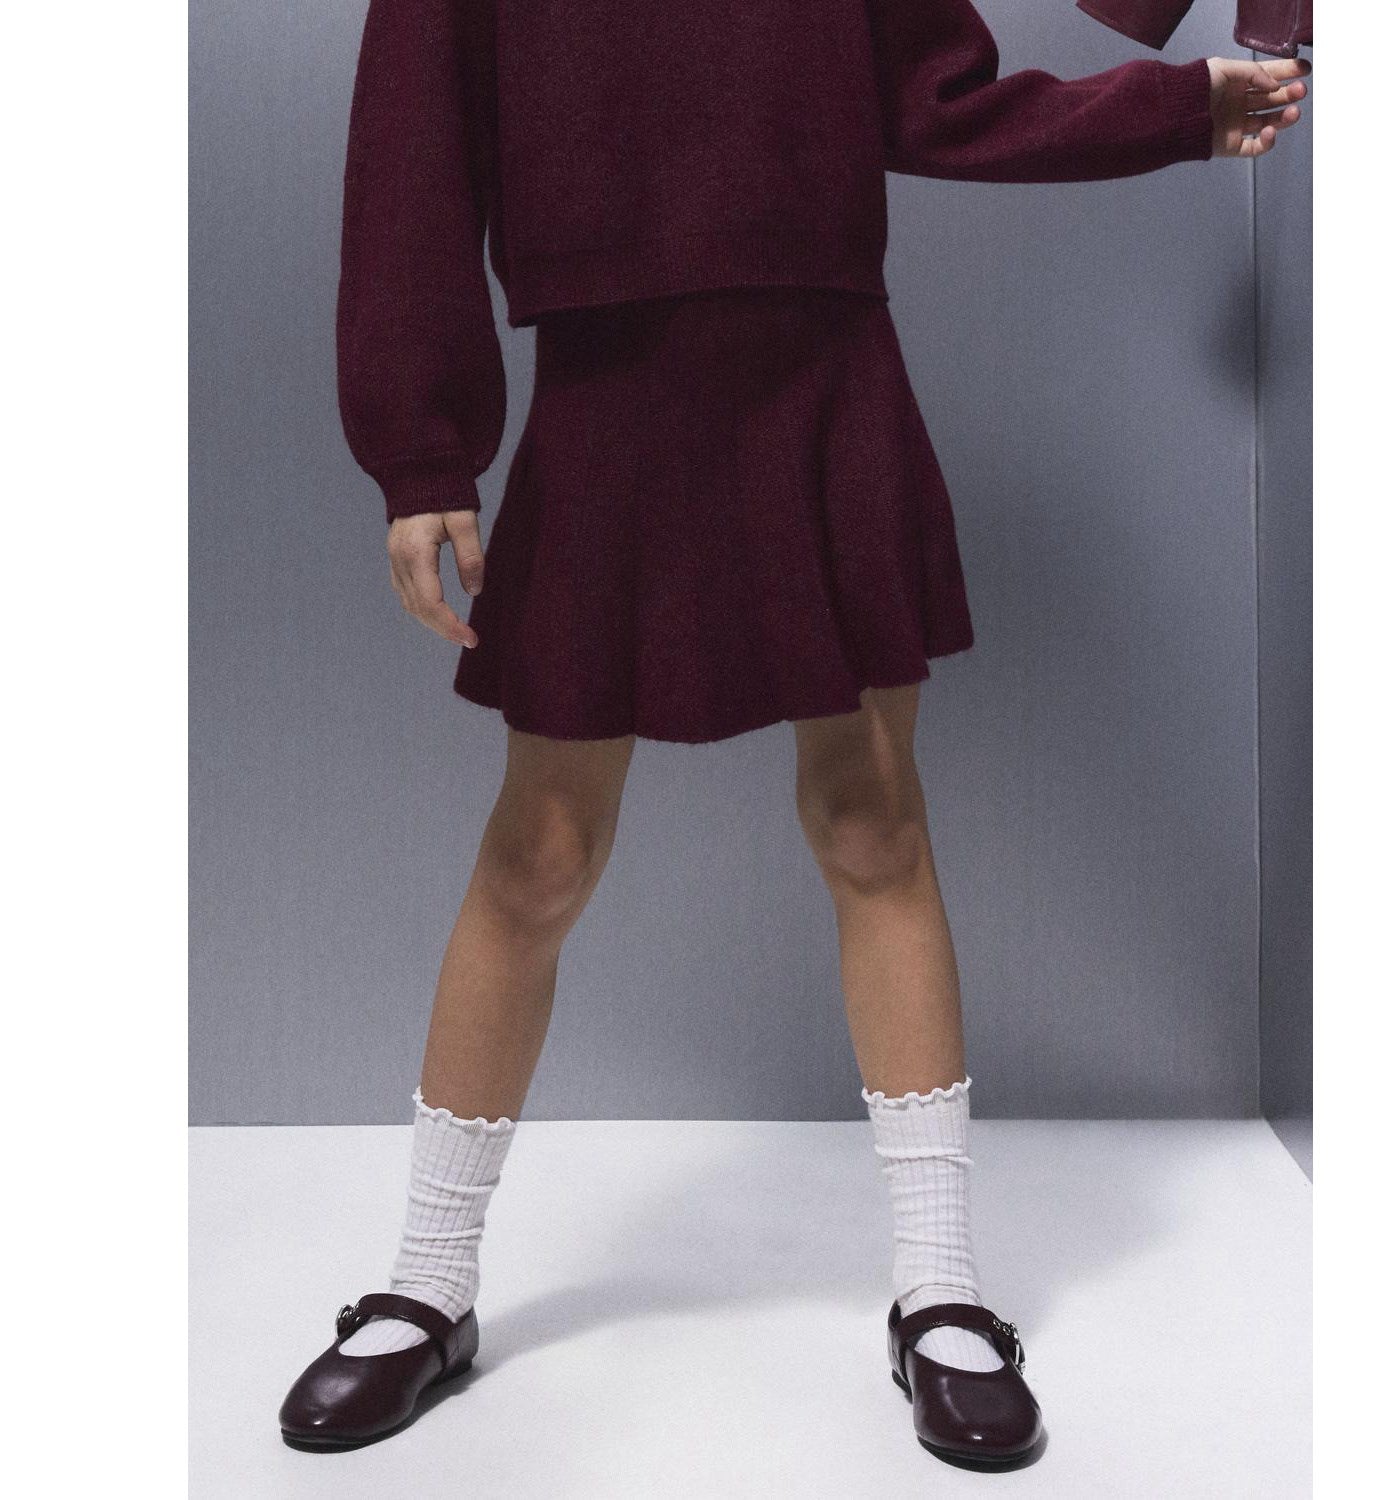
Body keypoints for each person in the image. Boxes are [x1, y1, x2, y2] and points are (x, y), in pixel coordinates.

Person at [278, 0, 1308, 1467]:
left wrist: (1179, 105)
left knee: (872, 823)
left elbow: (944, 100)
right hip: (607, 388)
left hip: (823, 377)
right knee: (540, 854)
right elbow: (411, 164)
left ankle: (941, 1290)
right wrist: (421, 450)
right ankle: (426, 1284)